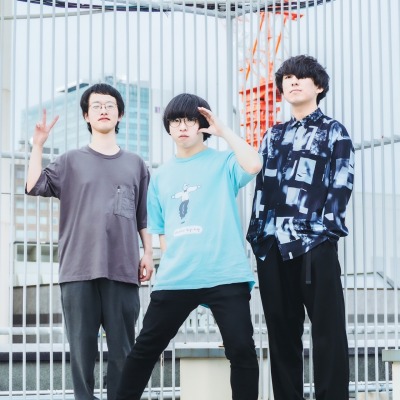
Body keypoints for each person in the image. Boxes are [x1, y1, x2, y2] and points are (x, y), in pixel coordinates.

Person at [116, 93, 262, 400]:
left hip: (225, 274)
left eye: (190, 120)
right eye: (175, 121)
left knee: (241, 350)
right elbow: (162, 232)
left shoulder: (223, 162)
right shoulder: (160, 177)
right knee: (145, 349)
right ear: (168, 127)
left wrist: (223, 131)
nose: (182, 127)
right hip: (177, 277)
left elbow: (254, 164)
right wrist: (170, 262)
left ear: (202, 125)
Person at [26, 83, 154, 400]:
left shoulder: (136, 164)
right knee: (81, 353)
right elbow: (34, 185)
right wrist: (38, 145)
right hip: (77, 269)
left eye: (109, 105)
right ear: (86, 115)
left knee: (123, 351)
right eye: (96, 106)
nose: (103, 110)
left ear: (120, 114)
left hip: (122, 268)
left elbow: (143, 216)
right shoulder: (69, 161)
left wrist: (148, 253)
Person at [247, 55, 354, 400]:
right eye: (287, 78)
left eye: (302, 77)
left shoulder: (333, 131)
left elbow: (342, 183)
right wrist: (258, 236)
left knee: (328, 333)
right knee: (281, 336)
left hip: (314, 245)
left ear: (318, 86)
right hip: (272, 245)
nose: (293, 82)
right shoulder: (273, 135)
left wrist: (325, 231)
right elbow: (261, 188)